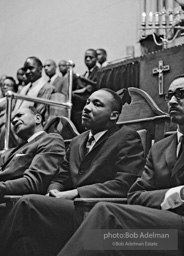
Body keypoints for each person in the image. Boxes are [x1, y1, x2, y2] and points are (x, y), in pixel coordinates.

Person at [0, 88, 145, 256]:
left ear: (113, 115)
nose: (87, 107)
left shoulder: (127, 137)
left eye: (97, 104)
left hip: (96, 208)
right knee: (25, 242)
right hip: (69, 206)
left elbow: (124, 184)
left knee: (27, 203)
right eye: (88, 102)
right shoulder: (77, 141)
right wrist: (53, 192)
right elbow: (61, 176)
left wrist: (74, 193)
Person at [57, 74, 184, 256]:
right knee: (99, 239)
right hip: (162, 235)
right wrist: (177, 194)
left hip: (175, 236)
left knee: (105, 217)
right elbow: (136, 195)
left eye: (181, 94)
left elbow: (130, 189)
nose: (172, 101)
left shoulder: (127, 138)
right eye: (169, 95)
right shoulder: (160, 148)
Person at [0, 106, 66, 199]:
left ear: (38, 118)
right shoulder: (13, 150)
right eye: (12, 120)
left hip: (15, 200)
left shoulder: (50, 140)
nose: (14, 120)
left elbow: (34, 182)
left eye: (19, 115)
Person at [0, 57, 57, 150]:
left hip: (30, 126)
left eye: (31, 68)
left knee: (8, 128)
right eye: (26, 69)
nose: (27, 72)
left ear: (40, 69)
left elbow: (39, 112)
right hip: (16, 121)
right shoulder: (24, 88)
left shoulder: (46, 87)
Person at [72, 49, 99, 132]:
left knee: (72, 97)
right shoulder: (85, 74)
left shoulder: (99, 71)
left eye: (90, 57)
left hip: (91, 100)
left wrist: (72, 93)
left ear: (96, 59)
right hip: (83, 101)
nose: (87, 59)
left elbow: (87, 89)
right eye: (86, 57)